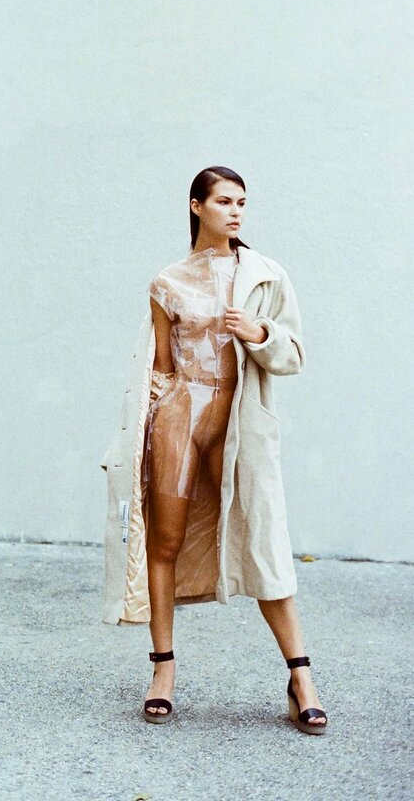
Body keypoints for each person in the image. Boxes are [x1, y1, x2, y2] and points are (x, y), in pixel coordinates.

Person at [141, 166, 327, 734]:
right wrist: (134, 442)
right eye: (224, 201)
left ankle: (301, 679)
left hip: (240, 422)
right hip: (178, 417)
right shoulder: (167, 282)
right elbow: (159, 369)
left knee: (267, 545)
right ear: (196, 206)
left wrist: (258, 333)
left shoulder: (266, 275)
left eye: (242, 202)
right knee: (164, 542)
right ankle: (163, 670)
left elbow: (295, 354)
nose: (236, 211)